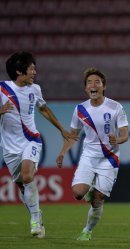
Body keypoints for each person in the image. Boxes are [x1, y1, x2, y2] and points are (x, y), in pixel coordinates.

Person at [0, 51, 73, 238]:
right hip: (9, 147)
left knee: (26, 176)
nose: (35, 72)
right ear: (18, 71)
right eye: (31, 68)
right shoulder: (2, 89)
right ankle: (37, 214)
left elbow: (44, 109)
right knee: (23, 186)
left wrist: (61, 129)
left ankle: (33, 218)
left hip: (31, 140)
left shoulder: (35, 89)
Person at [56, 67, 129, 241]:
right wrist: (62, 153)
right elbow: (73, 135)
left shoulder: (115, 107)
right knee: (78, 193)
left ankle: (87, 230)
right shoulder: (80, 109)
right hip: (89, 156)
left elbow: (125, 135)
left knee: (98, 199)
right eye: (89, 82)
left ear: (104, 86)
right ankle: (88, 191)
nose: (93, 85)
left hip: (109, 159)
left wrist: (116, 140)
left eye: (97, 82)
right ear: (85, 88)